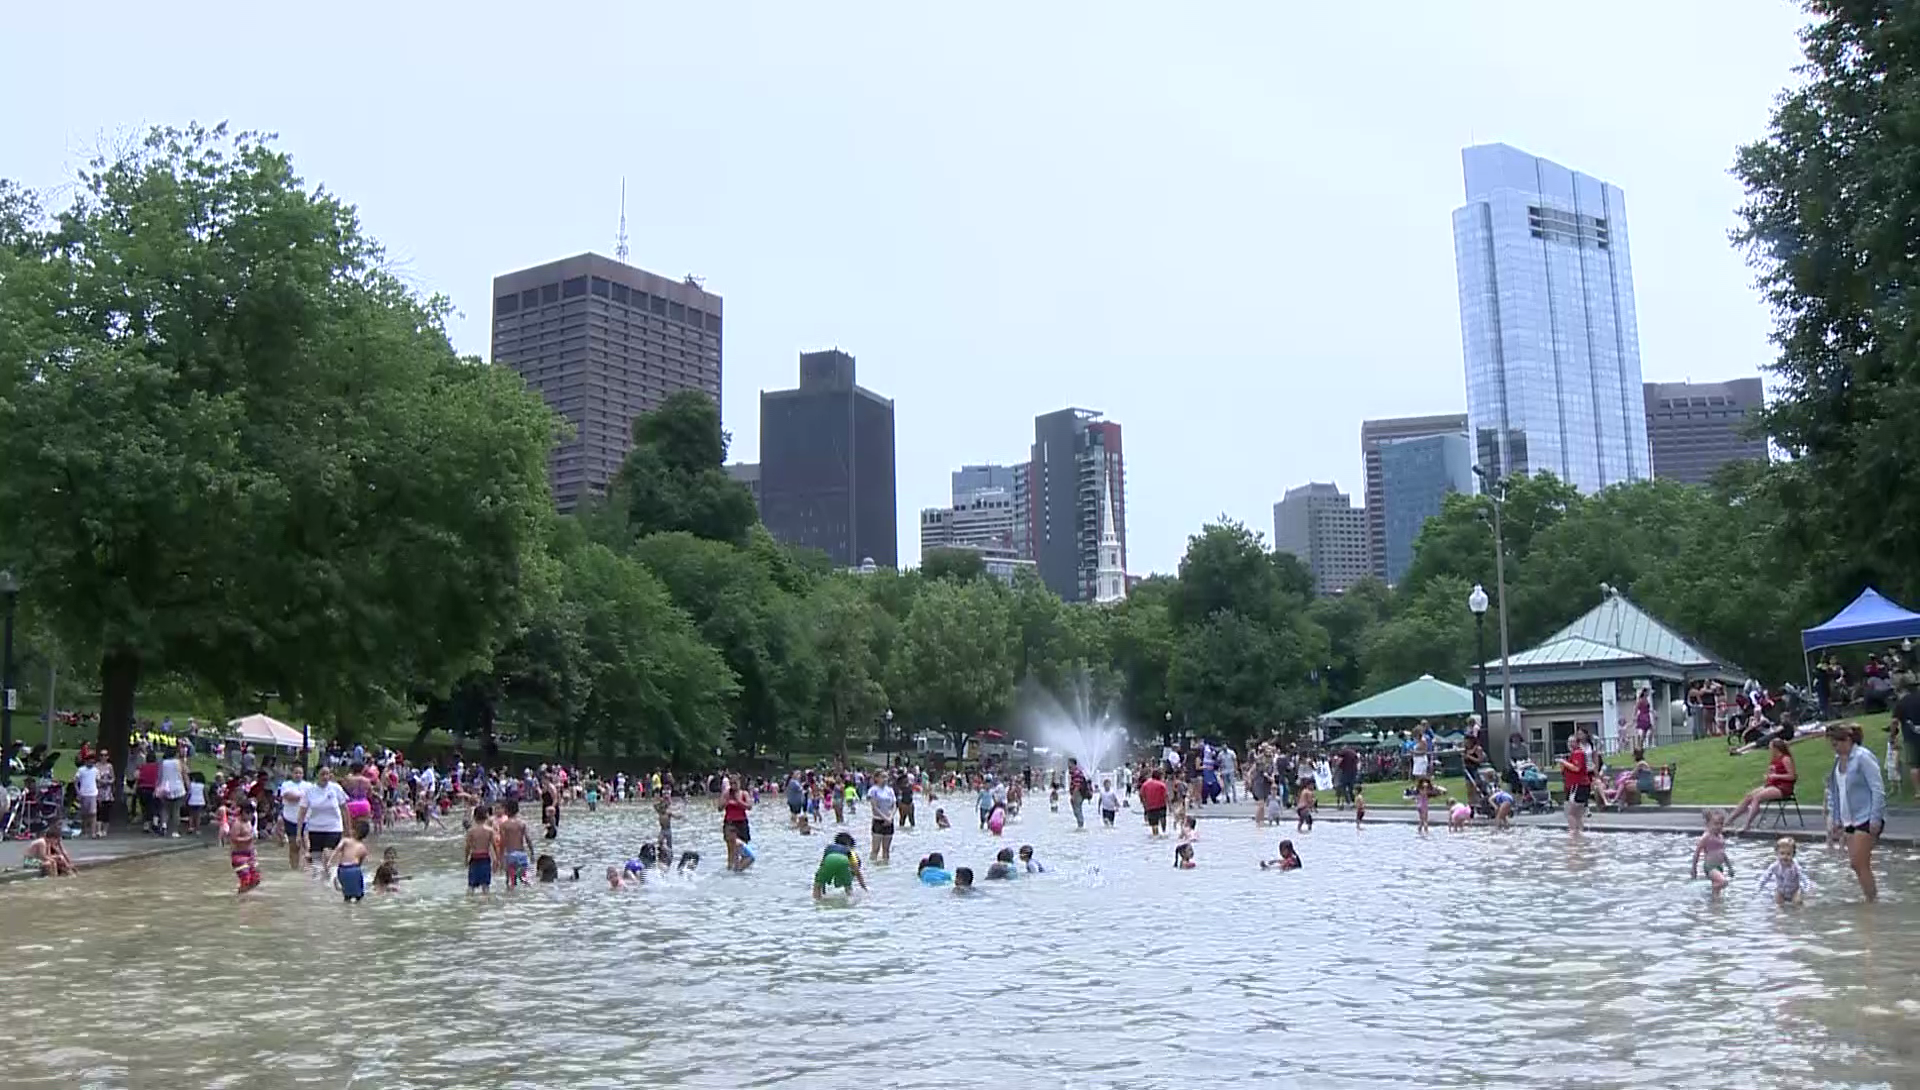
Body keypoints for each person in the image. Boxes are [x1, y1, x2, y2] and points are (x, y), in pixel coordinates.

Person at [1824, 724, 1886, 901]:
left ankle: (1872, 902)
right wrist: (1836, 819)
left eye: (1836, 743)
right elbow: (1836, 791)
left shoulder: (1863, 757)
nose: (1834, 747)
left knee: (1859, 862)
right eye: (1832, 744)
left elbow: (1877, 789)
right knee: (1856, 864)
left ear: (1848, 740)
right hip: (1848, 818)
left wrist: (1875, 818)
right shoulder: (1838, 762)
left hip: (1866, 816)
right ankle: (1871, 897)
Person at [1726, 738, 1798, 833]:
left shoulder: (1785, 759)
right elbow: (1774, 772)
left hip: (1782, 787)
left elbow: (1792, 776)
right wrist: (1768, 776)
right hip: (1772, 785)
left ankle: (1747, 824)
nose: (1769, 750)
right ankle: (1729, 820)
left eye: (1771, 748)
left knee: (1757, 797)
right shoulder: (1774, 759)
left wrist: (1775, 776)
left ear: (1776, 748)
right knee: (1748, 796)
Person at [298, 766, 350, 876]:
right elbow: (302, 812)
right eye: (322, 774)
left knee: (327, 854)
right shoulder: (310, 791)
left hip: (334, 828)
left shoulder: (336, 788)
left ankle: (330, 878)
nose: (325, 777)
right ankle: (320, 886)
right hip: (315, 828)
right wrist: (299, 834)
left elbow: (345, 809)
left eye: (327, 774)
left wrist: (348, 830)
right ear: (317, 775)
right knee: (316, 861)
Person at [1757, 838, 1813, 905]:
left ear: (1793, 855)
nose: (1785, 856)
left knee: (1797, 901)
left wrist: (1808, 889)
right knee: (1778, 901)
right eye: (1782, 853)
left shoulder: (1796, 867)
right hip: (1780, 891)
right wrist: (1759, 888)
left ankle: (1798, 913)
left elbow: (1804, 878)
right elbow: (1765, 877)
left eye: (1788, 854)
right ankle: (1779, 913)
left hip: (1794, 890)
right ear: (1777, 853)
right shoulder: (1774, 866)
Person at [812, 832, 867, 900]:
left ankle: (817, 901)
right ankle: (850, 899)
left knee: (817, 885)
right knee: (848, 887)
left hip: (829, 858)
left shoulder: (829, 847)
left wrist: (823, 889)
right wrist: (863, 887)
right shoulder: (850, 851)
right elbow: (857, 870)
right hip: (844, 861)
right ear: (849, 844)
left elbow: (822, 864)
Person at [1556, 735, 1592, 838]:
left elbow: (1576, 768)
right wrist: (1563, 766)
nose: (1570, 744)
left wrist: (1563, 762)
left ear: (1577, 743)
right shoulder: (1573, 754)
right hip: (1576, 785)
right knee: (1578, 814)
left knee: (1570, 812)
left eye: (1572, 742)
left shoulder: (1578, 753)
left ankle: (1573, 834)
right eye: (1568, 742)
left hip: (1578, 785)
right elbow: (1565, 772)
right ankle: (1579, 834)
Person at [1690, 809, 1733, 895]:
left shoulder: (1720, 837)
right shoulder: (1707, 837)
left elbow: (1723, 853)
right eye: (1716, 824)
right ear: (1708, 824)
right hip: (1710, 867)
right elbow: (1697, 853)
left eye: (1721, 824)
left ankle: (1714, 905)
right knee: (1723, 882)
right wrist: (1694, 869)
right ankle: (1711, 891)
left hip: (1719, 867)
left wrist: (1729, 867)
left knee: (1717, 893)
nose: (1719, 826)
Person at [278, 766, 310, 871]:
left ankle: (310, 870)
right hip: (290, 819)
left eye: (300, 773)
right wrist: (303, 796)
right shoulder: (286, 785)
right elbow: (288, 796)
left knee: (308, 846)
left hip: (306, 819)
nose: (298, 775)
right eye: (296, 773)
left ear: (303, 774)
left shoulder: (308, 785)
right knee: (294, 846)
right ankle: (294, 869)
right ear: (292, 774)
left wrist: (300, 796)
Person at [496, 799, 533, 887]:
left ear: (506, 811)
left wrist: (500, 858)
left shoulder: (504, 825)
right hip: (522, 854)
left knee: (511, 882)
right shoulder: (522, 823)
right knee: (524, 880)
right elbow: (528, 839)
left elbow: (503, 842)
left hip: (511, 855)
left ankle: (511, 898)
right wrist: (532, 853)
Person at [228, 800, 260, 892]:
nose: (251, 816)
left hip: (250, 853)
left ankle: (244, 893)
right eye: (249, 814)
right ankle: (241, 897)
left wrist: (254, 850)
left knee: (256, 878)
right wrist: (248, 839)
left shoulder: (249, 822)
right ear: (243, 812)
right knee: (245, 878)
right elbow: (233, 839)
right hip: (239, 855)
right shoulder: (237, 824)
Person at [465, 805, 497, 894]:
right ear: (487, 816)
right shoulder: (490, 830)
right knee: (485, 885)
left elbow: (467, 847)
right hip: (485, 858)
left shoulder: (471, 831)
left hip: (474, 858)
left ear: (474, 817)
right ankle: (486, 904)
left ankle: (470, 902)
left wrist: (466, 859)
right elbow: (494, 846)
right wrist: (496, 860)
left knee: (471, 885)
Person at [866, 775, 897, 864]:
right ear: (877, 778)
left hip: (889, 821)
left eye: (886, 777)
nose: (885, 779)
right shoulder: (873, 790)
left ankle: (886, 868)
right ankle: (872, 868)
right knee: (875, 849)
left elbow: (894, 805)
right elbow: (874, 806)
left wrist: (890, 817)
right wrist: (885, 817)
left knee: (886, 850)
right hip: (878, 820)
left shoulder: (890, 790)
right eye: (883, 777)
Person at [334, 826, 370, 902]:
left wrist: (329, 862)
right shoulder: (363, 847)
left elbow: (337, 849)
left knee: (346, 896)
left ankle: (346, 911)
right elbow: (360, 863)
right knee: (359, 896)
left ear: (354, 832)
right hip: (354, 869)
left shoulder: (345, 840)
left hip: (342, 869)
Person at [74, 756, 100, 840]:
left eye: (92, 761)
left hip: (93, 794)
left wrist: (98, 790)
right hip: (84, 793)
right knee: (84, 814)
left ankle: (93, 832)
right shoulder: (81, 770)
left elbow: (98, 781)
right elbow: (76, 781)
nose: (91, 763)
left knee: (93, 813)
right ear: (86, 761)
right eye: (89, 761)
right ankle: (84, 830)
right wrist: (78, 791)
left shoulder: (96, 770)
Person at [1139, 769, 1169, 837]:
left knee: (1154, 824)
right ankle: (1164, 832)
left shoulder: (1145, 784)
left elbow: (1141, 795)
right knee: (1163, 819)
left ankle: (1155, 835)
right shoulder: (1162, 785)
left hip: (1150, 807)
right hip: (1161, 806)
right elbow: (1166, 796)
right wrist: (1169, 806)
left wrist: (1144, 804)